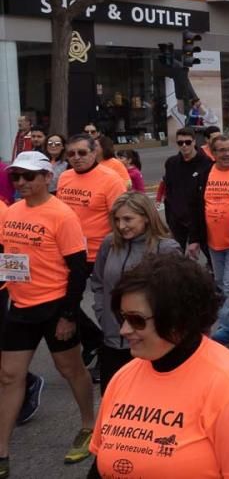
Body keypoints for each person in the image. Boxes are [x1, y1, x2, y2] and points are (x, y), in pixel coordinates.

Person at [89, 255, 229, 478]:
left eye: (137, 320)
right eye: (121, 317)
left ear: (177, 319)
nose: (124, 330)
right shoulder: (124, 376)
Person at [0, 151, 94, 475]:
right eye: (16, 177)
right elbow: (7, 254)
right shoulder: (11, 211)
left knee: (71, 369)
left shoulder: (62, 215)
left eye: (28, 176)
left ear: (46, 178)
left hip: (55, 306)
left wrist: (69, 314)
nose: (21, 182)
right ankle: (1, 451)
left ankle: (87, 425)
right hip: (20, 306)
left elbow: (78, 269)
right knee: (9, 376)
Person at [91, 192, 182, 392]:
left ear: (147, 218)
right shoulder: (109, 243)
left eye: (128, 219)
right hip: (113, 340)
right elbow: (98, 282)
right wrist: (102, 313)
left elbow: (178, 296)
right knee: (113, 399)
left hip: (152, 344)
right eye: (117, 220)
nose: (122, 225)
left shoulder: (165, 248)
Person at [57, 133, 129, 364]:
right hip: (70, 251)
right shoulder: (65, 177)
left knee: (108, 304)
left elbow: (122, 219)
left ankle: (117, 350)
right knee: (63, 301)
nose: (76, 158)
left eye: (82, 153)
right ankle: (94, 338)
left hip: (101, 252)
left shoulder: (110, 179)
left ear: (93, 153)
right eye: (71, 154)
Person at [187, 136, 229, 327]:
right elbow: (195, 208)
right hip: (213, 242)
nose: (227, 154)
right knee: (223, 284)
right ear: (213, 153)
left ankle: (222, 333)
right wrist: (194, 239)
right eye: (222, 150)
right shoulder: (204, 174)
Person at [161, 127, 214, 250]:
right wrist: (170, 217)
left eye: (188, 142)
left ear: (194, 142)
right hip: (177, 220)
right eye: (180, 143)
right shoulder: (171, 163)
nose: (184, 146)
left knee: (209, 253)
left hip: (199, 219)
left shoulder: (206, 163)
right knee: (175, 256)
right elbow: (168, 189)